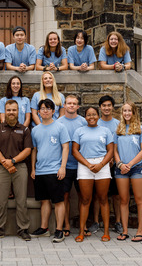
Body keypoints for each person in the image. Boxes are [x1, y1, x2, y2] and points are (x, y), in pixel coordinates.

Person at [0, 100, 33, 241]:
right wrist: (6, 163)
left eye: (14, 110)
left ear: (18, 112)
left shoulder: (24, 129)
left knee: (21, 200)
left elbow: (28, 150)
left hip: (20, 167)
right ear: (4, 111)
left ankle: (23, 229)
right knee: (1, 200)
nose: (11, 112)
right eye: (9, 110)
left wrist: (12, 161)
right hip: (1, 167)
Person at [72, 106, 113, 243]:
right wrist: (88, 165)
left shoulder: (105, 130)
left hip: (102, 165)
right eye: (88, 115)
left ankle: (106, 232)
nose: (91, 117)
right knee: (85, 199)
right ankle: (81, 232)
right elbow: (75, 151)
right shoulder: (79, 131)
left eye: (94, 114)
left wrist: (101, 165)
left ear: (98, 115)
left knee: (103, 199)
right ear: (85, 117)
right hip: (85, 166)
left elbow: (110, 151)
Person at [30, 99, 69, 243]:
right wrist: (33, 168)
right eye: (42, 108)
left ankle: (59, 230)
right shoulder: (35, 130)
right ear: (38, 112)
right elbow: (34, 150)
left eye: (48, 108)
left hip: (55, 170)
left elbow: (65, 147)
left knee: (58, 201)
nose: (45, 111)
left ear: (53, 111)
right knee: (44, 201)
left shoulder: (60, 127)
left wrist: (62, 167)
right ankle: (44, 228)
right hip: (40, 171)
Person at [114, 102, 142, 242]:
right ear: (122, 113)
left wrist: (130, 164)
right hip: (121, 169)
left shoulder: (141, 129)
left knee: (139, 200)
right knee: (123, 200)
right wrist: (121, 164)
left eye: (129, 111)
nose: (127, 113)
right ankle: (125, 231)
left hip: (136, 168)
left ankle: (140, 231)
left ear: (134, 112)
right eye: (124, 111)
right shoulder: (119, 129)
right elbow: (115, 151)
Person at [88, 95, 122, 235]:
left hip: (115, 164)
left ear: (112, 107)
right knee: (97, 195)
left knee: (116, 194)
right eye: (104, 106)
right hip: (100, 164)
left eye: (109, 105)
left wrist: (115, 159)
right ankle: (96, 222)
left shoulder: (118, 124)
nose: (106, 108)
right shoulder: (96, 122)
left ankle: (118, 222)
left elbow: (120, 144)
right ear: (100, 108)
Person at [56, 95, 87, 237]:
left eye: (74, 104)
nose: (72, 106)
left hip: (81, 166)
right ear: (64, 105)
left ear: (78, 106)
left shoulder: (83, 122)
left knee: (83, 196)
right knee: (65, 196)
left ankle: (83, 225)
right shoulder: (59, 122)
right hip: (65, 165)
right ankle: (66, 225)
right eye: (69, 103)